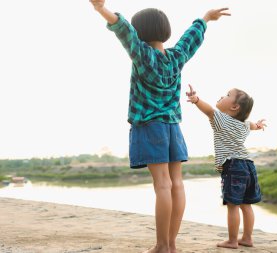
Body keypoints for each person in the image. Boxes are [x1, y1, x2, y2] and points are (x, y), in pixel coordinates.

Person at [89, 1, 230, 252]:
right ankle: (171, 244)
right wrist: (205, 18)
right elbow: (190, 40)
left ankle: (162, 246)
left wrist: (101, 9)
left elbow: (122, 30)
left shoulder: (143, 55)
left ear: (140, 32)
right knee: (177, 184)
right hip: (173, 127)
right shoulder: (176, 58)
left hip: (150, 126)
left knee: (162, 185)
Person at [186, 84, 266, 249]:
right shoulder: (244, 125)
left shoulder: (221, 119)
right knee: (246, 205)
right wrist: (257, 126)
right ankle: (247, 238)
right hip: (249, 165)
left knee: (232, 205)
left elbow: (208, 110)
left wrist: (196, 100)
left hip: (233, 165)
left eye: (227, 95)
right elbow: (251, 125)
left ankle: (232, 240)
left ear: (234, 106)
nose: (222, 96)